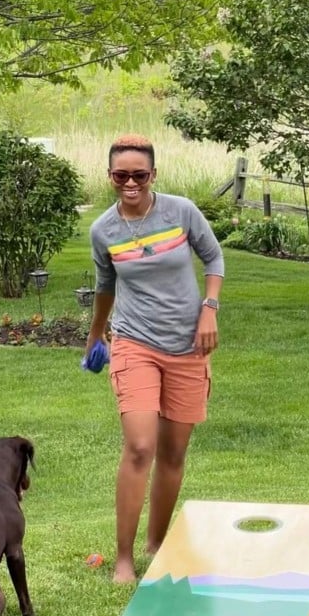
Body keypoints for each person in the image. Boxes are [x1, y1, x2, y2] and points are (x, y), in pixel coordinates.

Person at [85, 133, 224, 583]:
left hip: (188, 345)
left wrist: (209, 310)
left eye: (139, 175)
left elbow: (214, 258)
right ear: (110, 177)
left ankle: (157, 543)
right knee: (141, 445)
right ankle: (124, 558)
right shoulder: (103, 229)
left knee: (173, 452)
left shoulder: (180, 211)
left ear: (153, 175)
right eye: (121, 175)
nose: (130, 183)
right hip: (134, 342)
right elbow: (106, 285)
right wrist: (94, 335)